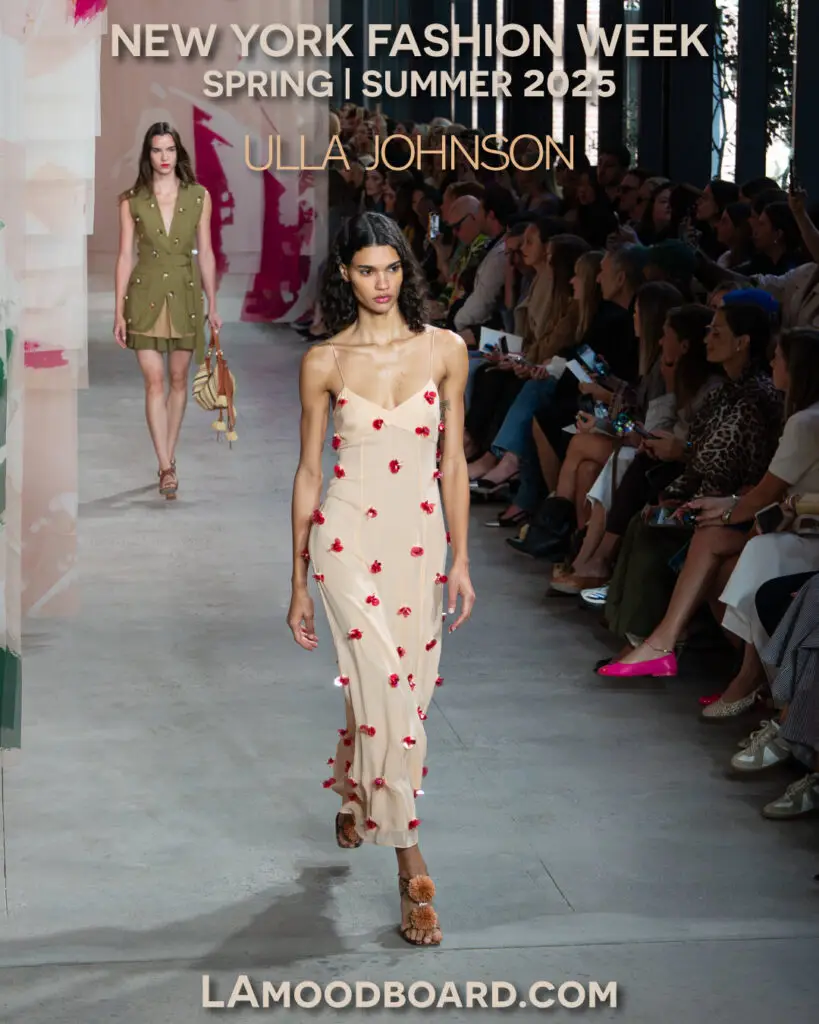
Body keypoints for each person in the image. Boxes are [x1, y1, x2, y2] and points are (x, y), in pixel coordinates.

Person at [287, 212, 475, 947]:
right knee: (384, 688)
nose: (381, 283)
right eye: (366, 270)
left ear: (406, 269)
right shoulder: (324, 362)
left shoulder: (446, 350)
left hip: (420, 543)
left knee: (400, 696)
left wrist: (461, 559)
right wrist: (297, 580)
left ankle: (351, 787)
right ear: (345, 274)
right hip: (345, 537)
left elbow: (453, 464)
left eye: (391, 268)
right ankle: (411, 868)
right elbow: (309, 473)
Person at [114, 122, 221, 500]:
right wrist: (118, 310)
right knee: (154, 381)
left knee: (178, 380)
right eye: (157, 150)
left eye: (170, 150)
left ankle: (168, 456)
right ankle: (164, 466)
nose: (164, 157)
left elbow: (206, 253)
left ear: (178, 153)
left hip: (185, 294)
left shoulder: (199, 196)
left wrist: (213, 303)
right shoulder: (131, 200)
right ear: (148, 154)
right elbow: (125, 256)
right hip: (144, 295)